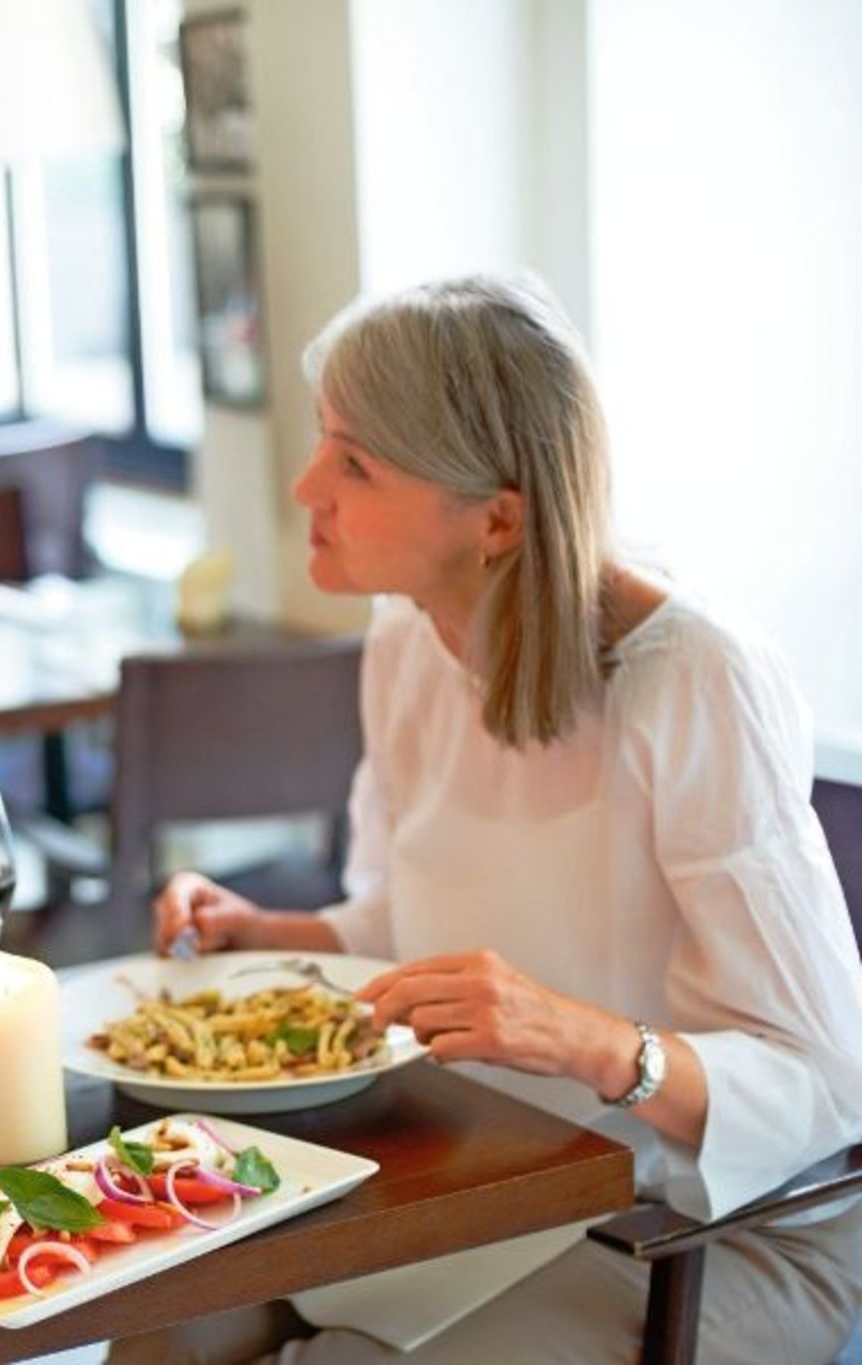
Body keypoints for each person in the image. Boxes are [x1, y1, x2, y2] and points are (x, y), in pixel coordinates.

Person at [144, 276, 862, 1362]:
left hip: (704, 1231)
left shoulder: (694, 680)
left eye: (353, 463)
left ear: (494, 518)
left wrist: (582, 1039)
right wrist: (275, 934)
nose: (304, 488)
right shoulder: (404, 640)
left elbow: (822, 1084)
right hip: (485, 1180)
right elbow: (413, 916)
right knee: (163, 1326)